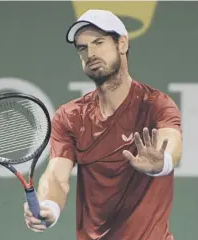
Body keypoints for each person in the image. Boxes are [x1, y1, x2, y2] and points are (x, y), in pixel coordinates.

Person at [23, 9, 182, 240]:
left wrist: (163, 162)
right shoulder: (70, 116)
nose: (91, 53)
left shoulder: (156, 104)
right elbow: (57, 176)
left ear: (122, 44)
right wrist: (50, 206)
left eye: (99, 42)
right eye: (82, 48)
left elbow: (172, 143)